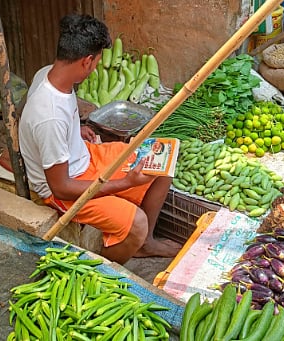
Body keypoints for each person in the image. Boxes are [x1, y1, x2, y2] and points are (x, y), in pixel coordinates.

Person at [18, 14, 181, 265]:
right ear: (87, 61)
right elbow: (61, 187)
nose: (95, 68)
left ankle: (145, 243)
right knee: (135, 222)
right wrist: (125, 183)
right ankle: (103, 269)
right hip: (64, 188)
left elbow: (56, 125)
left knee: (161, 162)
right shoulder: (48, 116)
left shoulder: (48, 75)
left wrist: (75, 131)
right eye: (96, 63)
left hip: (84, 157)